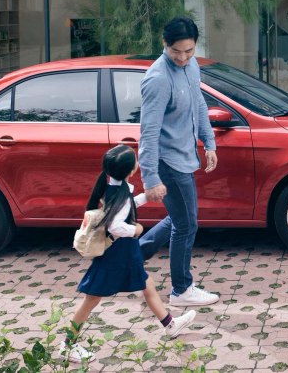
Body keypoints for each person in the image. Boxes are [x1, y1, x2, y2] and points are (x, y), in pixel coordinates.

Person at [61, 144, 197, 363]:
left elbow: (123, 207)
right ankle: (68, 345)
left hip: (123, 253)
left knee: (147, 284)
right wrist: (136, 229)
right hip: (117, 254)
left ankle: (170, 324)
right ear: (131, 170)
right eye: (135, 160)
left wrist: (145, 197)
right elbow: (115, 225)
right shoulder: (121, 194)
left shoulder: (113, 187)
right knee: (91, 299)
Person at [138, 16, 219, 307]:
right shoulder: (158, 79)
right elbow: (148, 133)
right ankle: (181, 290)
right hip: (168, 162)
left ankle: (133, 258)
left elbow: (199, 103)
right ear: (164, 43)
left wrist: (209, 142)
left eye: (189, 50)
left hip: (185, 156)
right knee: (186, 225)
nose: (183, 58)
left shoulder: (191, 66)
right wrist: (150, 178)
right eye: (176, 51)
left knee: (180, 217)